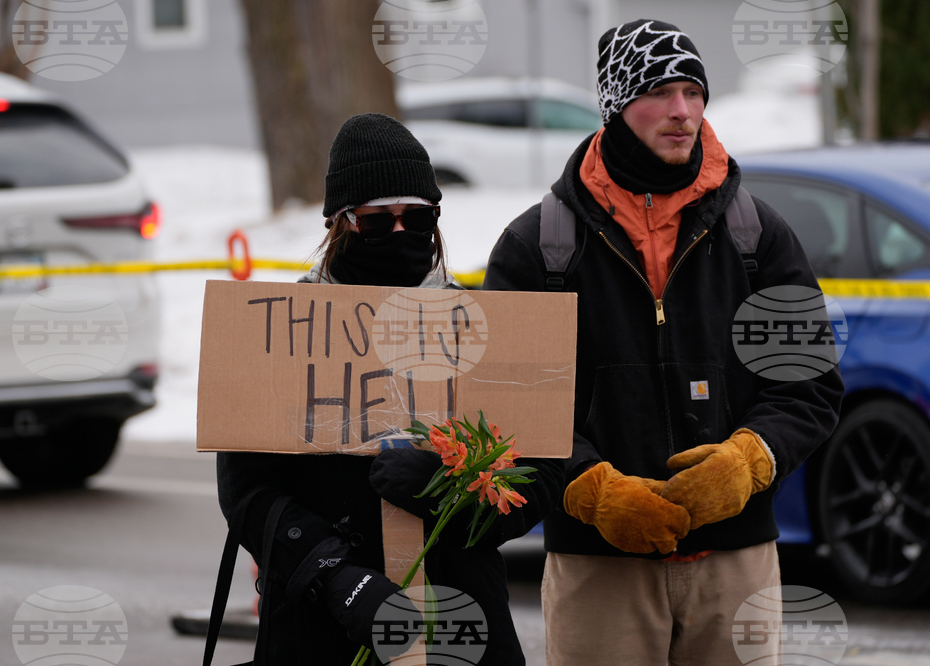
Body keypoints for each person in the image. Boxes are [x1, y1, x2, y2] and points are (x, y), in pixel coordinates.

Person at [481, 20, 844, 666]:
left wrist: (748, 460)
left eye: (693, 91)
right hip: (599, 569)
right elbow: (504, 404)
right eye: (659, 91)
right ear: (616, 104)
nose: (682, 111)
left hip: (738, 565)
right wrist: (590, 489)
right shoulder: (537, 247)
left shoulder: (757, 236)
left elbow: (810, 385)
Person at [216, 113, 561, 665]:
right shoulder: (281, 331)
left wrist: (447, 488)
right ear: (341, 223)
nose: (401, 234)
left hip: (460, 621)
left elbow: (540, 476)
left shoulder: (487, 328)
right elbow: (247, 493)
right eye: (378, 222)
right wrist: (339, 581)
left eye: (419, 217)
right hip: (324, 622)